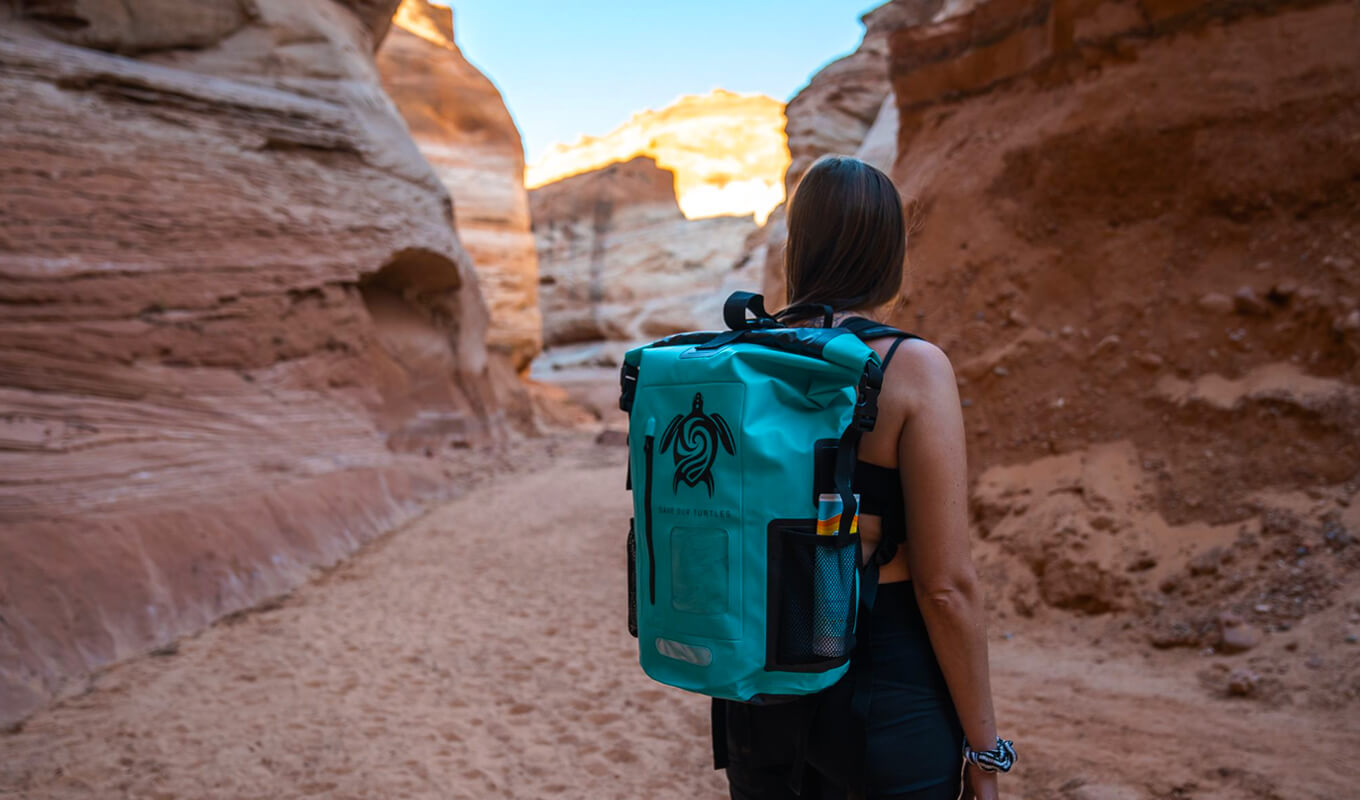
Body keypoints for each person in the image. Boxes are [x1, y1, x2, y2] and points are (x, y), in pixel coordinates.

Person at [715, 154, 1008, 800]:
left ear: (800, 250)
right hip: (885, 695)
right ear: (888, 255)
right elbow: (946, 588)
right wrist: (986, 753)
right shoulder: (912, 367)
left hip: (757, 696)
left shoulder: (739, 360)